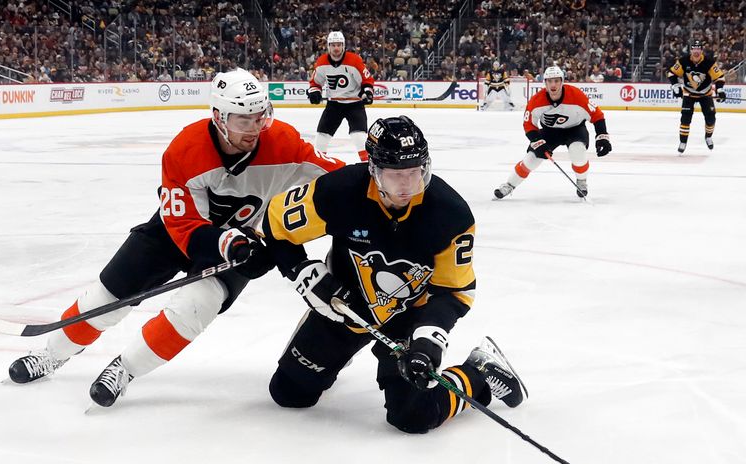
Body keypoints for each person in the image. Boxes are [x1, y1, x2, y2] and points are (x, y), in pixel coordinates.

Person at [7, 68, 345, 408]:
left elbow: (340, 178)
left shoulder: (283, 142)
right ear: (219, 117)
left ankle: (124, 370)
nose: (255, 128)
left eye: (260, 117)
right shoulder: (185, 150)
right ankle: (52, 354)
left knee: (193, 309)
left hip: (241, 246)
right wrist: (226, 243)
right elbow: (184, 226)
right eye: (244, 120)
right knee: (107, 296)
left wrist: (380, 177)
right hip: (174, 232)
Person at [261, 116, 527, 434]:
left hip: (407, 319)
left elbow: (454, 291)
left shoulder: (449, 213)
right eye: (397, 175)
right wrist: (304, 272)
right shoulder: (339, 191)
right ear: (374, 170)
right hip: (344, 306)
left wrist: (428, 339)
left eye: (415, 172)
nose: (407, 185)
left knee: (414, 417)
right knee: (289, 394)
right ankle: (334, 354)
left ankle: (477, 373)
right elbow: (273, 227)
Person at [494, 65, 611, 199]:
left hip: (575, 130)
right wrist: (538, 142)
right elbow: (529, 124)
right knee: (531, 159)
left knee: (577, 152)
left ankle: (582, 181)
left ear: (562, 81)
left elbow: (597, 115)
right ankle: (509, 185)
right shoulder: (536, 100)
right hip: (549, 132)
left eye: (556, 81)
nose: (553, 85)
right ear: (545, 83)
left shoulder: (577, 95)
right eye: (549, 81)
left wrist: (602, 137)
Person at [307, 31, 375, 161]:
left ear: (343, 46)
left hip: (355, 104)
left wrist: (367, 92)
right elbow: (315, 82)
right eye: (333, 45)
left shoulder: (354, 60)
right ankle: (319, 164)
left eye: (339, 45)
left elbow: (367, 80)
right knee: (322, 136)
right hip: (334, 105)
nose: (336, 48)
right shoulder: (322, 62)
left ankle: (368, 167)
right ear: (328, 46)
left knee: (359, 137)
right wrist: (315, 92)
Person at [668, 39, 726, 153]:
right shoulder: (683, 61)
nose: (696, 51)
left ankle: (708, 137)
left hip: (705, 94)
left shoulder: (709, 62)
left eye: (698, 49)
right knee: (685, 118)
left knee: (711, 118)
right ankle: (683, 142)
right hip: (689, 93)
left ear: (701, 50)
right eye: (694, 48)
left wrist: (720, 90)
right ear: (691, 50)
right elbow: (672, 73)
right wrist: (675, 86)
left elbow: (719, 77)